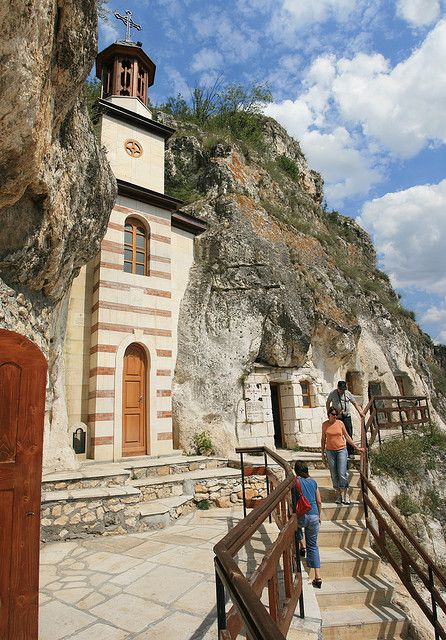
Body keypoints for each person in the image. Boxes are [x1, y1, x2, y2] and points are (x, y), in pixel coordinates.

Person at [321, 408, 365, 504]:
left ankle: (345, 493)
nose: (335, 416)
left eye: (336, 414)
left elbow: (347, 436)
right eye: (333, 414)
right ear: (329, 415)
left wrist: (356, 448)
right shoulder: (325, 425)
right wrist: (322, 453)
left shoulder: (340, 423)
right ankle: (338, 494)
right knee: (334, 474)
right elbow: (323, 439)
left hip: (341, 450)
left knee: (342, 473)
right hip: (330, 451)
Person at [292, 460, 323, 588]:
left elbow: (293, 501)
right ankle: (318, 577)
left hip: (302, 516)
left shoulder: (295, 482)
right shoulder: (313, 482)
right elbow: (319, 501)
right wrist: (319, 516)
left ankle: (302, 546)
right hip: (314, 515)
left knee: (296, 527)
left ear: (296, 471)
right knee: (313, 545)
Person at [326, 380, 365, 457]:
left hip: (346, 416)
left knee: (349, 433)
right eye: (341, 389)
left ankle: (350, 452)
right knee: (337, 434)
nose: (342, 391)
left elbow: (354, 403)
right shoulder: (333, 393)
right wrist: (329, 413)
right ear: (337, 387)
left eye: (343, 389)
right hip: (337, 417)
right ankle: (337, 451)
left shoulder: (347, 393)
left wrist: (360, 412)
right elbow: (328, 402)